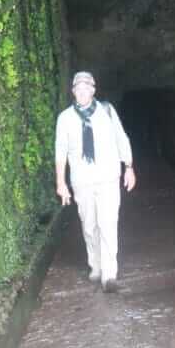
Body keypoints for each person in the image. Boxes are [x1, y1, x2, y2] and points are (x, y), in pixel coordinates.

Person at [55, 71, 136, 292]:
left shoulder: (107, 111)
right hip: (82, 181)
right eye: (78, 89)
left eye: (86, 88)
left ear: (93, 90)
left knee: (108, 223)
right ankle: (96, 264)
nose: (82, 92)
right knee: (89, 226)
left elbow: (121, 138)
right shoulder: (65, 119)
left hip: (108, 178)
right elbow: (60, 153)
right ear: (73, 92)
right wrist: (61, 184)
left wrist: (128, 167)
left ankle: (110, 275)